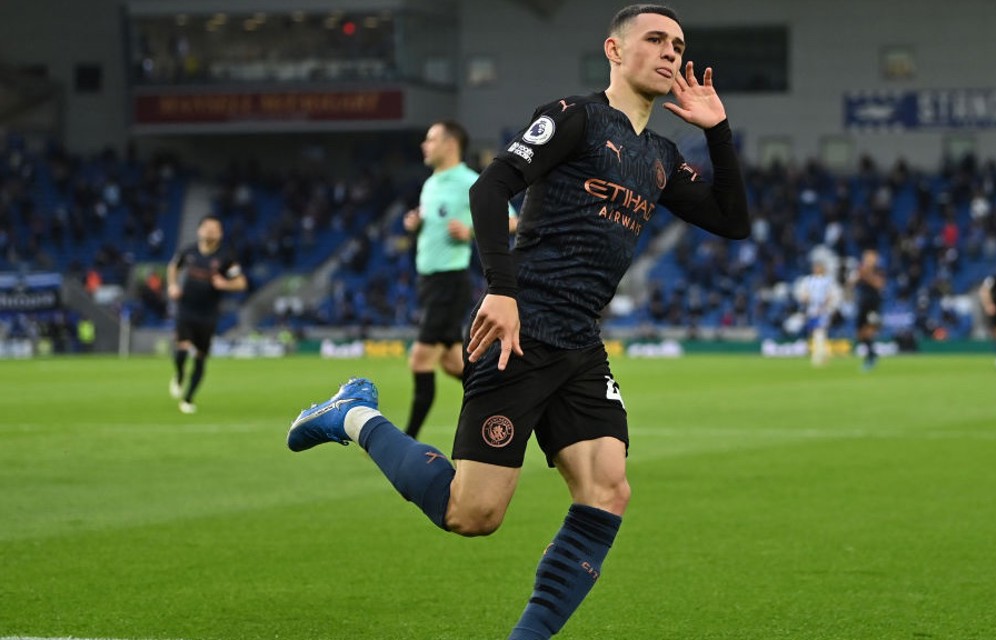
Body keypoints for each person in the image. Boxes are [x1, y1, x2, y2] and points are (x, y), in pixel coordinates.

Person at [285, 5, 748, 639]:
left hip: (580, 343)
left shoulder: (661, 156)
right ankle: (352, 415)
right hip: (519, 330)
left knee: (608, 491)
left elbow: (733, 220)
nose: (670, 52)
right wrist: (502, 292)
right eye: (655, 39)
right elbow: (489, 187)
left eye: (679, 44)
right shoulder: (574, 117)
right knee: (471, 514)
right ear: (614, 50)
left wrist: (719, 132)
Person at [402, 120, 517, 440]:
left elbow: (512, 220)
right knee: (454, 364)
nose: (425, 145)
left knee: (420, 358)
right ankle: (506, 402)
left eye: (431, 139)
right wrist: (416, 224)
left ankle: (406, 438)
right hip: (428, 282)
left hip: (448, 283)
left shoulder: (471, 181)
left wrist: (469, 232)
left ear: (450, 144)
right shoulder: (431, 184)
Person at [167, 215, 247, 413]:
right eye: (207, 228)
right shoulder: (189, 252)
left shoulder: (226, 257)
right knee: (182, 348)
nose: (210, 232)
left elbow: (241, 283)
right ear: (199, 230)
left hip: (208, 314)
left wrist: (225, 284)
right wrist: (172, 285)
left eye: (215, 229)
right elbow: (173, 267)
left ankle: (188, 399)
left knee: (201, 357)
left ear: (220, 234)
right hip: (186, 309)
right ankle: (179, 375)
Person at [797, 259, 839, 366]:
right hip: (812, 311)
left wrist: (828, 305)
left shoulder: (828, 281)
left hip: (823, 311)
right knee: (816, 333)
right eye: (815, 267)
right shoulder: (808, 280)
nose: (816, 269)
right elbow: (802, 294)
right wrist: (806, 298)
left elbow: (833, 295)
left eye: (818, 267)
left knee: (819, 332)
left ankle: (818, 357)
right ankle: (823, 354)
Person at [854, 249, 885, 370]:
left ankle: (871, 357)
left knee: (869, 330)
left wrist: (866, 275)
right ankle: (872, 354)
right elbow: (853, 284)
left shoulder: (878, 271)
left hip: (874, 304)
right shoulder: (861, 270)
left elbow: (879, 285)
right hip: (863, 303)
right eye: (866, 258)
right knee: (860, 334)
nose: (868, 260)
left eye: (871, 258)